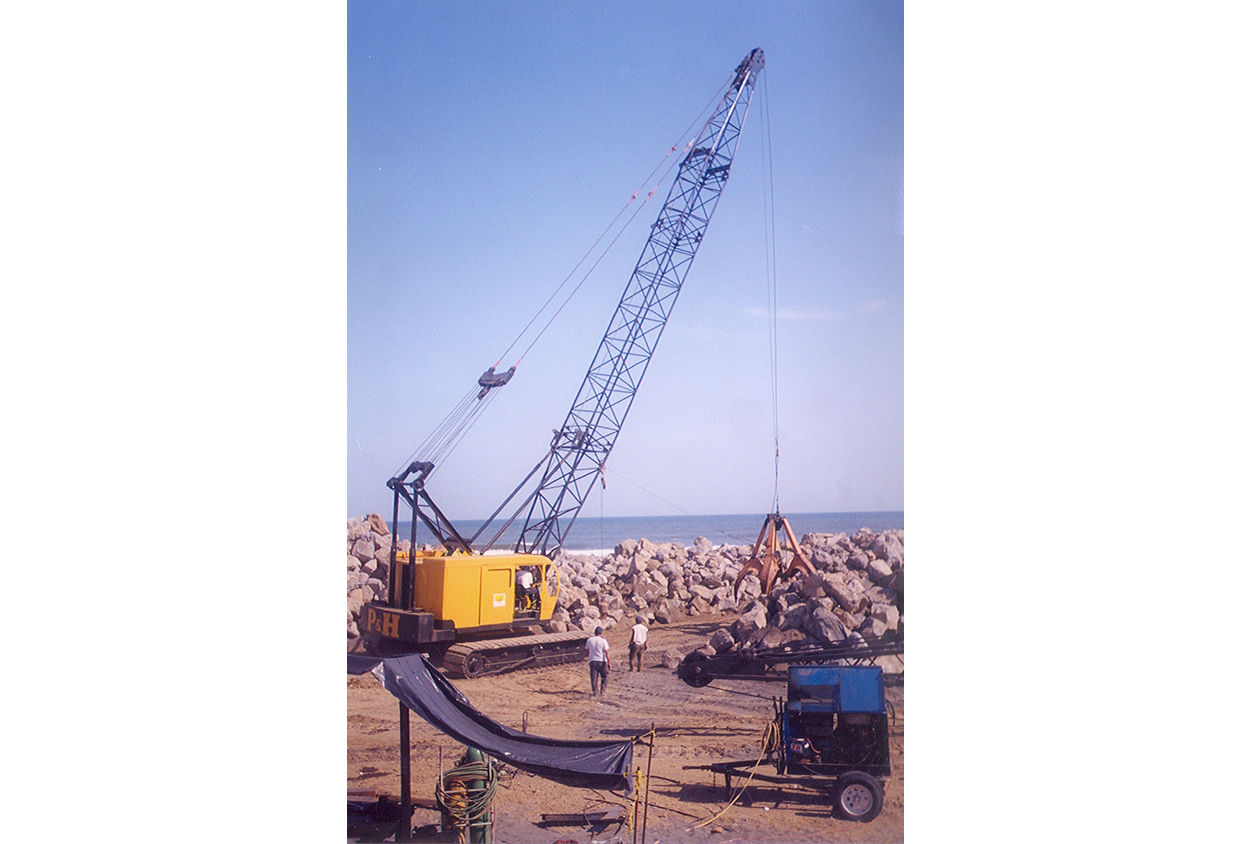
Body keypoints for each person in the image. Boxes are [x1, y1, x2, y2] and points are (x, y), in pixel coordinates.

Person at [586, 626, 611, 696]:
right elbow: (606, 652)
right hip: (602, 661)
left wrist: (590, 657)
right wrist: (609, 663)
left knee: (594, 677)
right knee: (605, 676)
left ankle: (595, 692)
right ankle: (602, 691)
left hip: (593, 661)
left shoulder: (589, 640)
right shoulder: (603, 641)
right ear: (601, 632)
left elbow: (587, 651)